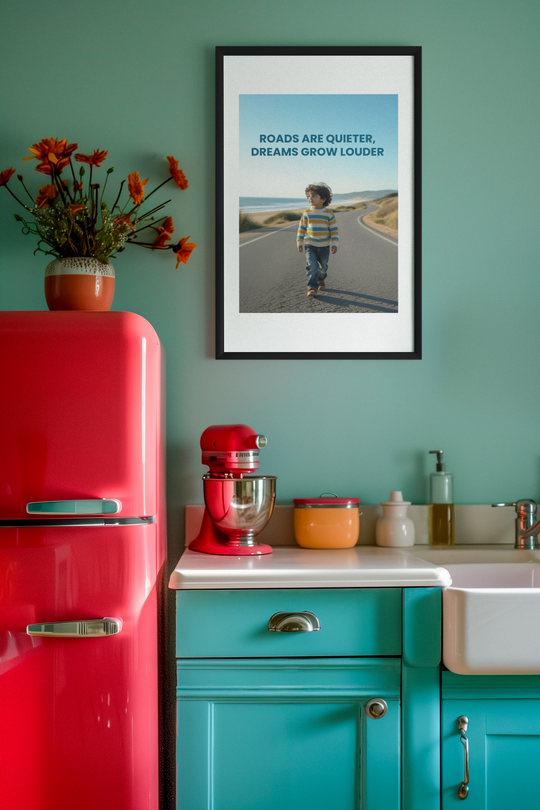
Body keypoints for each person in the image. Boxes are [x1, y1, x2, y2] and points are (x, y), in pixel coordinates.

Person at [296, 182, 339, 297]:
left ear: (323, 199)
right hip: (310, 245)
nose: (310, 198)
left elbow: (334, 230)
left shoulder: (329, 214)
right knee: (312, 266)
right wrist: (299, 242)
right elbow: (301, 228)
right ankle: (312, 287)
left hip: (324, 247)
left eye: (314, 196)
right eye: (309, 196)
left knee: (323, 267)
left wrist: (335, 243)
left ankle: (321, 279)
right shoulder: (307, 213)